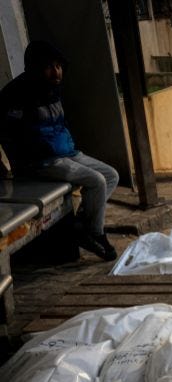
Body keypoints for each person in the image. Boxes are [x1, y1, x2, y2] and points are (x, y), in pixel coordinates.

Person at [0, 40, 119, 261]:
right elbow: (7, 132)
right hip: (40, 161)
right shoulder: (16, 94)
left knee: (111, 175)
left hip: (65, 153)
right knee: (96, 181)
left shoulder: (51, 90)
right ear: (36, 68)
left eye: (59, 66)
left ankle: (83, 226)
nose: (56, 72)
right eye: (49, 66)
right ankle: (95, 232)